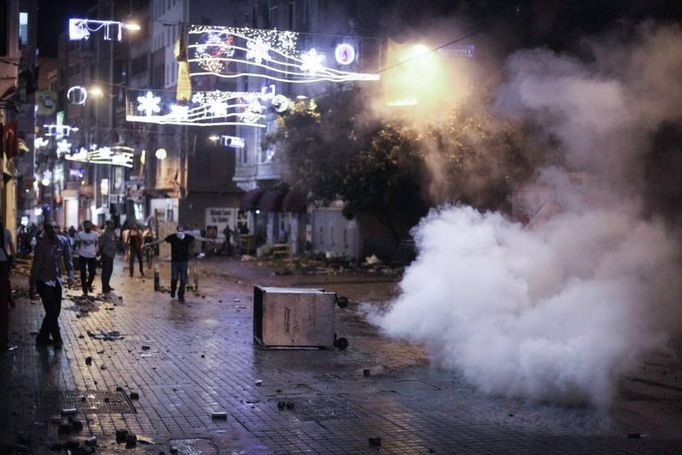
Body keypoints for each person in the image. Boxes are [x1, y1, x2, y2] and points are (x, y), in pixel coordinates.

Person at [29, 221, 74, 349]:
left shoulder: (63, 241)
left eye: (56, 227)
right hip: (43, 280)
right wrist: (32, 285)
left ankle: (42, 337)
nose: (53, 230)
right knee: (52, 310)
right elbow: (36, 266)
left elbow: (68, 259)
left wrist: (70, 276)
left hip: (56, 280)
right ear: (46, 230)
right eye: (50, 228)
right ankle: (57, 339)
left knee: (55, 311)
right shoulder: (41, 244)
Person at [145, 225, 207, 303]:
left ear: (183, 231)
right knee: (174, 278)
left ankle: (181, 296)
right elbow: (161, 240)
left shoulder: (187, 237)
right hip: (175, 262)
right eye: (179, 231)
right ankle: (173, 290)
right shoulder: (173, 237)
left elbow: (197, 238)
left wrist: (207, 240)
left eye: (181, 231)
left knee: (183, 280)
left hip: (184, 261)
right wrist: (151, 244)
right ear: (177, 230)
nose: (180, 233)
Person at [0, 219, 16, 351]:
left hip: (3, 261)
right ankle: (8, 298)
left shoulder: (5, 232)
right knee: (5, 282)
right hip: (3, 261)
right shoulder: (6, 232)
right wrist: (14, 259)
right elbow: (11, 246)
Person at [75, 220, 98, 296]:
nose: (88, 227)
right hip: (82, 255)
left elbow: (96, 243)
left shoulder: (95, 234)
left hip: (92, 255)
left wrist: (95, 251)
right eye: (86, 225)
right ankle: (84, 288)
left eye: (89, 225)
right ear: (84, 226)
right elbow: (77, 243)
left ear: (91, 226)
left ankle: (89, 284)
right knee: (83, 272)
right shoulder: (80, 234)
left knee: (92, 272)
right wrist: (78, 251)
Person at [97, 220, 117, 293]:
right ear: (108, 225)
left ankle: (107, 285)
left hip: (111, 254)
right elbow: (101, 243)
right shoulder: (104, 233)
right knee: (106, 271)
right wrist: (99, 252)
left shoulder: (112, 232)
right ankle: (104, 287)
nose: (113, 225)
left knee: (110, 270)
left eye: (113, 224)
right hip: (106, 253)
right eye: (111, 224)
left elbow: (114, 241)